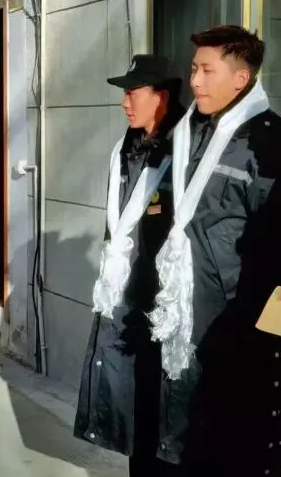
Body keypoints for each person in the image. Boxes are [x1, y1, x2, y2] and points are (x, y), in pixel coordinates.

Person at [149, 26, 281, 475]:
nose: (195, 81)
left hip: (240, 332)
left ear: (241, 79)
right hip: (186, 320)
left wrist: (265, 327)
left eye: (207, 71)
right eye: (194, 69)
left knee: (235, 450)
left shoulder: (271, 144)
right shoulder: (188, 133)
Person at [73, 54, 184, 476]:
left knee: (166, 416)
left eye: (133, 92)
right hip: (129, 301)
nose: (125, 102)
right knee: (135, 413)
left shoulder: (185, 151)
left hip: (168, 308)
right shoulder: (125, 151)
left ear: (162, 97)